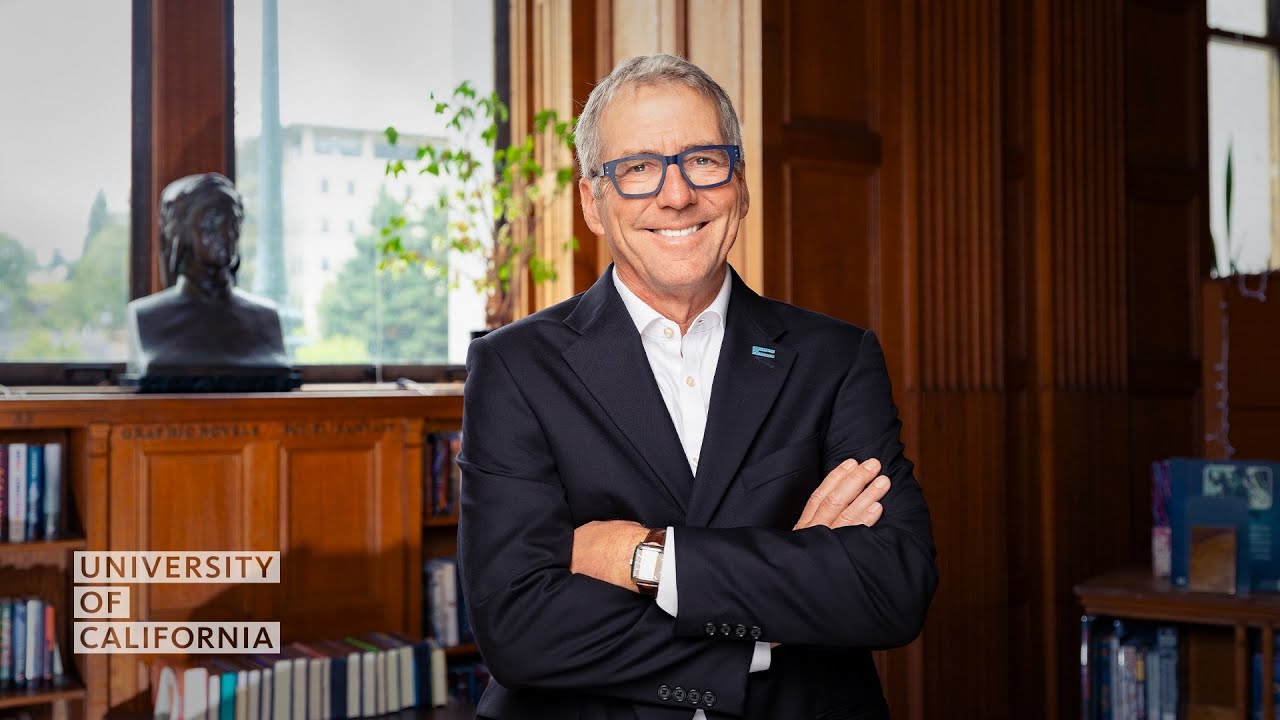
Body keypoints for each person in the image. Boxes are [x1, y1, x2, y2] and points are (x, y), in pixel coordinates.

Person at [458, 54, 937, 720]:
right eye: (638, 168)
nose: (677, 195)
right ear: (593, 203)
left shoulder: (836, 358)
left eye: (704, 160)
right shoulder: (514, 366)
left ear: (740, 184)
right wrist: (773, 614)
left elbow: (892, 586)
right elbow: (518, 628)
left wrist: (646, 558)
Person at [125, 172, 291, 382]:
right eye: (212, 223)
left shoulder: (265, 317)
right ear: (182, 232)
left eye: (233, 222)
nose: (227, 234)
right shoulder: (147, 317)